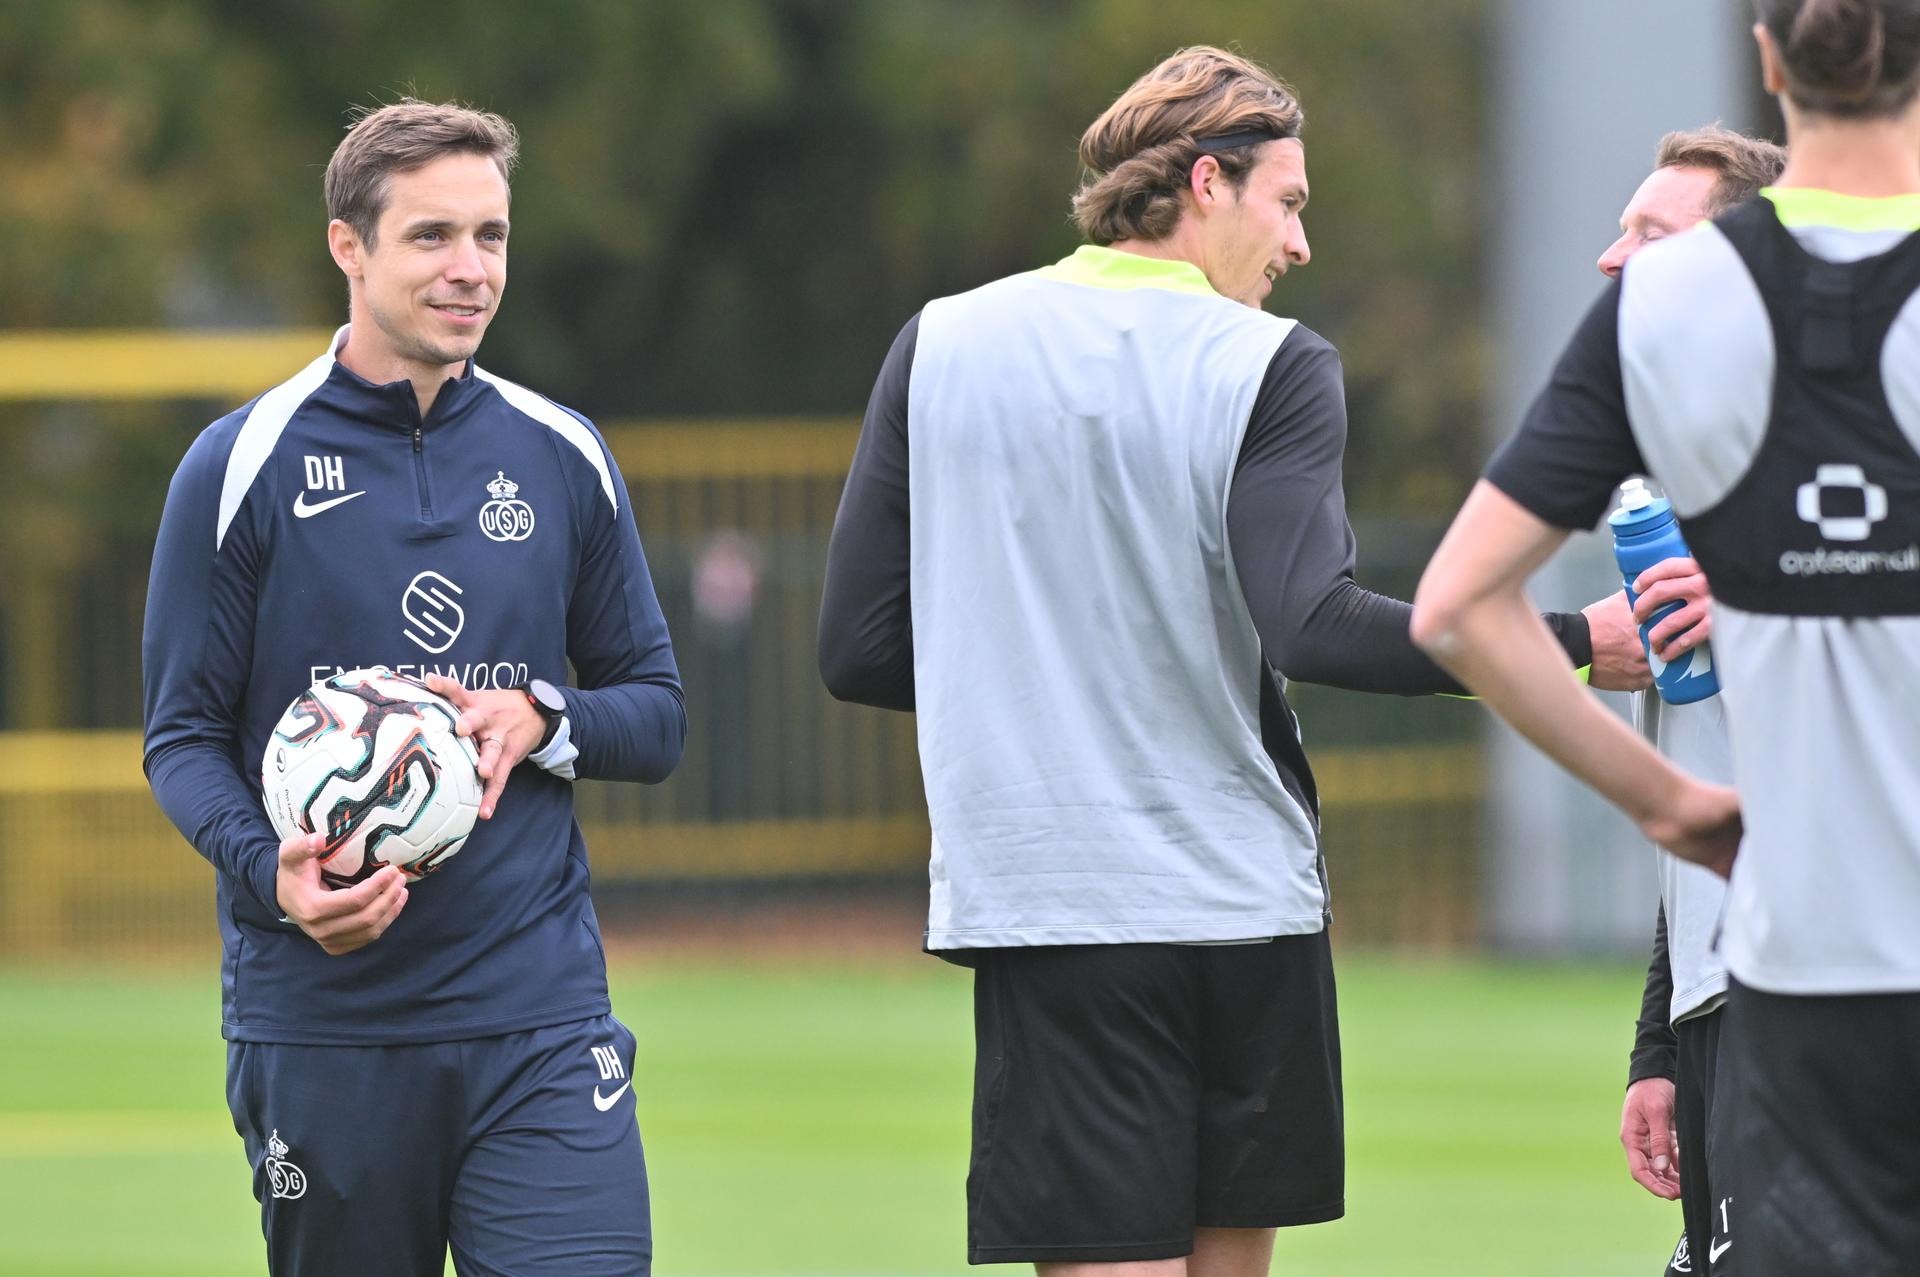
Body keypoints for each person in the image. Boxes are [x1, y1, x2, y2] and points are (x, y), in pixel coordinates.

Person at [818, 46, 1645, 1277]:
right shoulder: (1272, 361)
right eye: (1290, 202)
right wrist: (1577, 643)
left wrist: (1044, 680)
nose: (1299, 245)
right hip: (1237, 901)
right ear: (1209, 183)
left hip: (1050, 903)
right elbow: (1316, 624)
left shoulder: (939, 342)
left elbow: (861, 647)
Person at [1411, 2, 1920, 1272]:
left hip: (1800, 973)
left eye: (1645, 228)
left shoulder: (1674, 314)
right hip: (1747, 990)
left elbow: (1454, 608)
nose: (1614, 256)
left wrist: (1672, 805)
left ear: (1766, 58)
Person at [141, 100, 685, 1276]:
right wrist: (270, 875)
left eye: (491, 236)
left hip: (537, 1016)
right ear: (350, 246)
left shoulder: (561, 452)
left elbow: (656, 708)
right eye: (433, 236)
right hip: (325, 1026)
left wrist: (548, 718)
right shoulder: (241, 464)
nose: (470, 269)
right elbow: (180, 737)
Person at [1591, 126, 1787, 1277]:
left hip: (1824, 986)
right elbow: (1695, 785)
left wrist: (1769, 595)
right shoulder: (1662, 467)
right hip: (1723, 1011)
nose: (1611, 260)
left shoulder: (1839, 452)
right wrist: (1659, 1042)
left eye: (1650, 235)